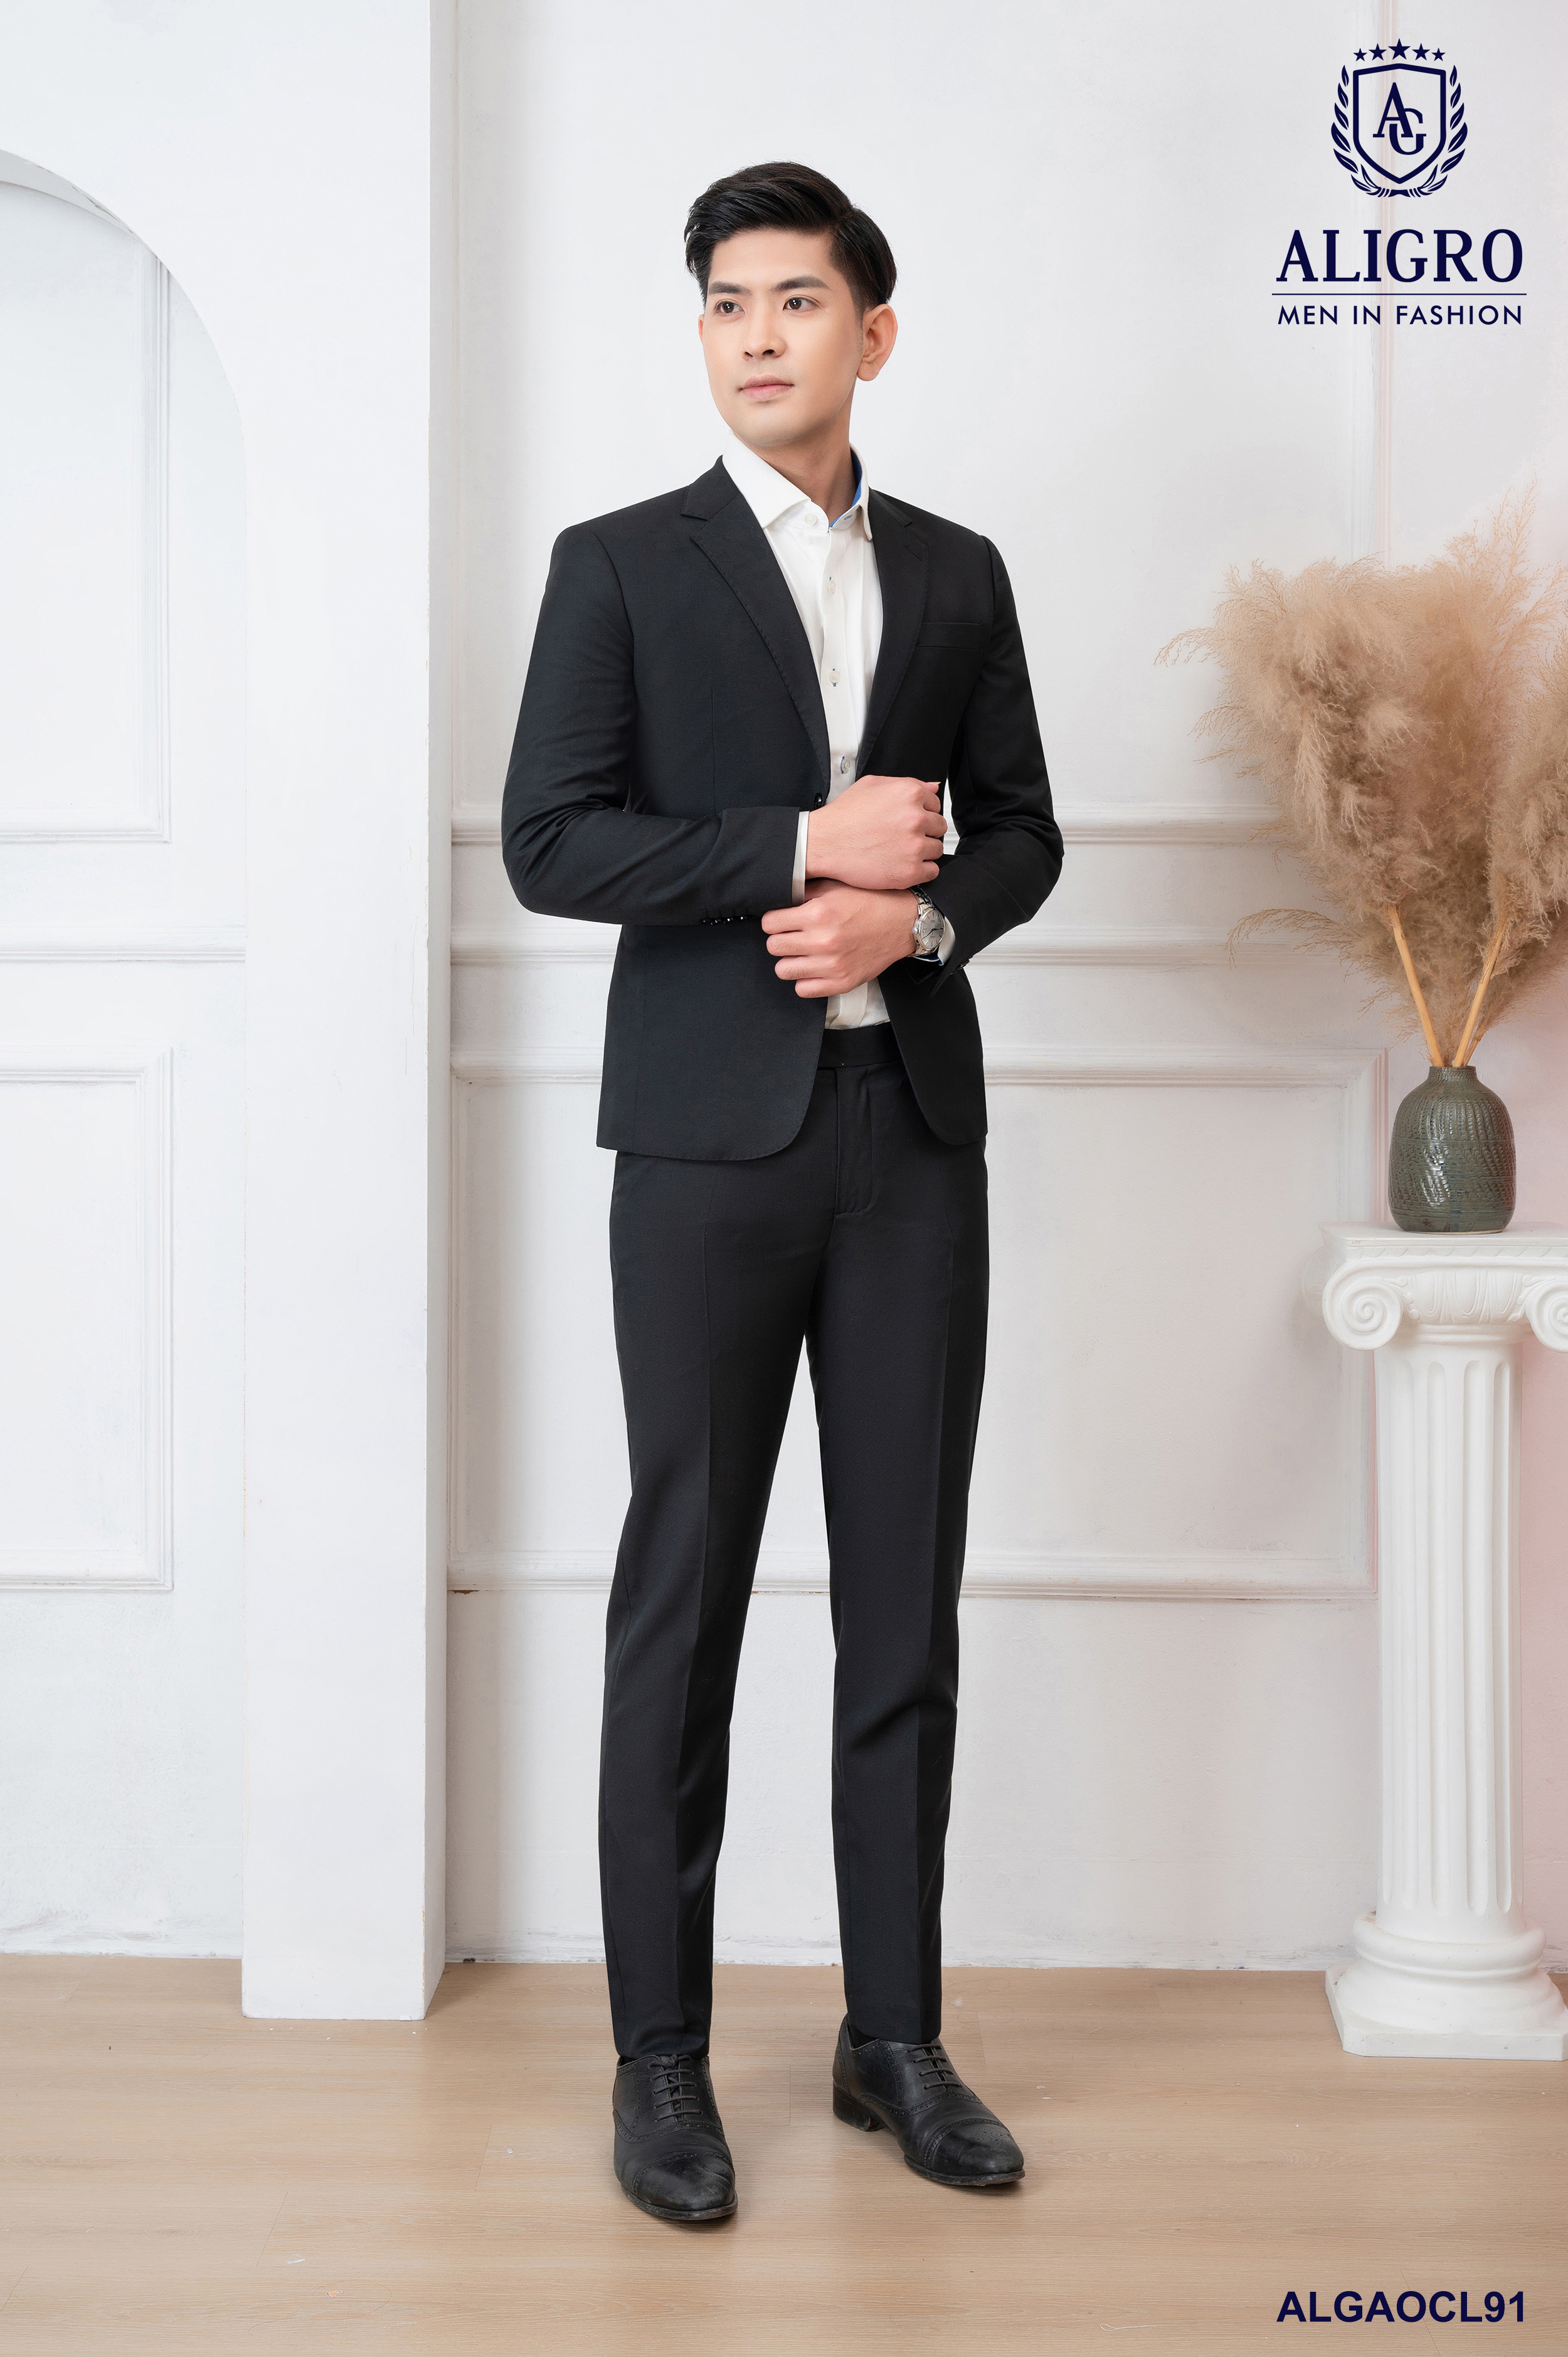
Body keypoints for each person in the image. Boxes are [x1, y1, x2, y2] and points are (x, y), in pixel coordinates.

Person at [502, 161, 1062, 2223]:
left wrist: (915, 925)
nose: (756, 333)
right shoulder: (616, 566)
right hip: (702, 1152)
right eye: (726, 302)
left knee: (902, 1597)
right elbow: (550, 841)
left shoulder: (958, 572)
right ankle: (658, 2059)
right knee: (686, 1595)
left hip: (909, 1140)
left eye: (796, 300)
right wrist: (801, 845)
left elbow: (1020, 833)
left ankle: (889, 2037)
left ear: (870, 333)